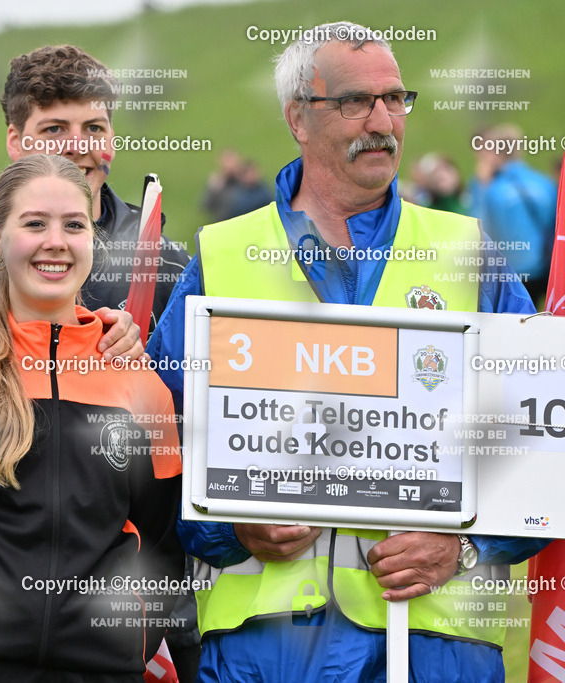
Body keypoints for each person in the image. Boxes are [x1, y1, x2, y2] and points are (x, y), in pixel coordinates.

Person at [146, 21, 548, 682]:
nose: (385, 120)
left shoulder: (470, 254)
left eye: (396, 98)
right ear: (298, 117)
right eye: (357, 102)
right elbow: (157, 447)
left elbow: (540, 443)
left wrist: (468, 546)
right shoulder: (220, 258)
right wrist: (228, 529)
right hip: (260, 649)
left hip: (433, 642)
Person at [0, 153, 184, 682]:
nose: (56, 241)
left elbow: (161, 545)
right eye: (34, 224)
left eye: (74, 225)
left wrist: (127, 647)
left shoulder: (140, 383)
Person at [0, 45, 191, 344]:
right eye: (55, 129)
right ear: (16, 141)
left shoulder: (170, 266)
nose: (77, 146)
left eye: (94, 128)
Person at [468, 123, 557, 307]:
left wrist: (481, 186)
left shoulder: (489, 187)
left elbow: (476, 226)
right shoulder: (544, 182)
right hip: (543, 267)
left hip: (508, 272)